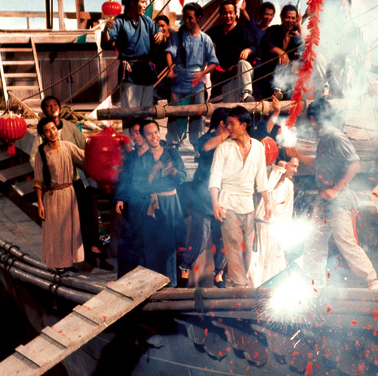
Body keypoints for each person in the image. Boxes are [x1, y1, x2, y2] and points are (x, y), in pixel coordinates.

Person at [288, 99, 378, 290]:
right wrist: (298, 154)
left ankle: (373, 281)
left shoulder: (335, 136)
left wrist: (336, 189)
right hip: (323, 202)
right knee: (314, 242)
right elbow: (319, 164)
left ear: (314, 118)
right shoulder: (325, 139)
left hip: (338, 201)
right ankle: (314, 285)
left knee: (345, 242)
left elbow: (354, 163)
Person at [114, 118, 186, 283]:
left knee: (173, 243)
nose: (153, 137)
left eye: (155, 132)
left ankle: (173, 283)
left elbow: (182, 177)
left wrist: (172, 171)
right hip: (153, 204)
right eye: (149, 134)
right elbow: (138, 186)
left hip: (172, 203)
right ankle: (155, 283)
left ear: (160, 133)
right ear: (144, 137)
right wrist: (153, 174)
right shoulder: (141, 159)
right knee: (153, 245)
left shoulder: (172, 153)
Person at [209, 107, 273, 288]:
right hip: (227, 204)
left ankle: (233, 283)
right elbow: (215, 177)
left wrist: (268, 202)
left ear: (244, 125)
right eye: (227, 123)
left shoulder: (258, 147)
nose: (228, 127)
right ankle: (242, 290)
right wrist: (215, 203)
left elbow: (261, 178)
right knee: (234, 248)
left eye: (232, 123)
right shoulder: (224, 148)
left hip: (247, 204)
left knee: (246, 252)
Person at [40, 96, 104, 267]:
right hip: (56, 187)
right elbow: (36, 162)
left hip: (75, 181)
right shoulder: (42, 135)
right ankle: (68, 260)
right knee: (64, 223)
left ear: (60, 107)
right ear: (44, 111)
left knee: (87, 217)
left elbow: (83, 149)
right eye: (48, 106)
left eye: (55, 104)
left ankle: (95, 254)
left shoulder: (69, 128)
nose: (52, 107)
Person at [178, 107, 231, 287]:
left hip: (224, 198)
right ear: (222, 123)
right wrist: (226, 135)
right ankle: (184, 265)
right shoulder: (207, 139)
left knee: (222, 238)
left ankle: (219, 273)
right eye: (230, 122)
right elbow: (206, 147)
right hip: (204, 198)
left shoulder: (233, 141)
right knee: (199, 238)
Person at [31, 116, 86, 270]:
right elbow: (38, 181)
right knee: (56, 232)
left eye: (53, 129)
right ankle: (58, 264)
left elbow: (85, 156)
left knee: (70, 229)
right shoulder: (42, 154)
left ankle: (70, 262)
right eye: (47, 131)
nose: (52, 133)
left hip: (69, 194)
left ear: (57, 129)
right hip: (53, 197)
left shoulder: (68, 147)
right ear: (43, 135)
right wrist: (40, 204)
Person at [166, 3, 219, 149]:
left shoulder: (205, 39)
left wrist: (202, 73)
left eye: (190, 18)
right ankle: (173, 145)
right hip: (179, 79)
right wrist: (171, 68)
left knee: (198, 114)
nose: (187, 21)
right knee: (175, 113)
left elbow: (214, 62)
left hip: (197, 81)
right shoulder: (177, 36)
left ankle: (197, 147)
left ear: (199, 18)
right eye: (185, 17)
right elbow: (170, 52)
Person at [102, 0, 160, 108]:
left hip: (145, 70)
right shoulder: (119, 21)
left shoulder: (147, 21)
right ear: (132, 3)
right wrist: (106, 31)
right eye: (143, 2)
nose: (145, 6)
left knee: (147, 108)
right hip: (129, 71)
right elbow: (107, 43)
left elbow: (160, 33)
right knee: (130, 109)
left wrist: (160, 34)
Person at [251, 156, 296, 286]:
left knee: (274, 267)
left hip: (275, 231)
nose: (295, 170)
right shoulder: (267, 176)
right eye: (293, 166)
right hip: (259, 228)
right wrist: (277, 171)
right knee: (257, 266)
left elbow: (287, 212)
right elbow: (266, 191)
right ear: (283, 164)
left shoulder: (288, 186)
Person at [208, 0, 255, 104]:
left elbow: (255, 45)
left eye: (230, 13)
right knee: (230, 107)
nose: (228, 16)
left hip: (242, 73)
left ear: (235, 14)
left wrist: (248, 50)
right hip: (226, 76)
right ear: (220, 15)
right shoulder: (216, 31)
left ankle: (247, 95)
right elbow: (201, 37)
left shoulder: (243, 30)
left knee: (242, 63)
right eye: (225, 13)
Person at [255, 5, 302, 99]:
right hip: (268, 75)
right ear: (282, 17)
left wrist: (299, 26)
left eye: (293, 18)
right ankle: (277, 89)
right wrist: (280, 52)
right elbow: (266, 44)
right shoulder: (273, 29)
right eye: (288, 17)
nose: (290, 21)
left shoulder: (295, 36)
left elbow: (308, 46)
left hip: (287, 77)